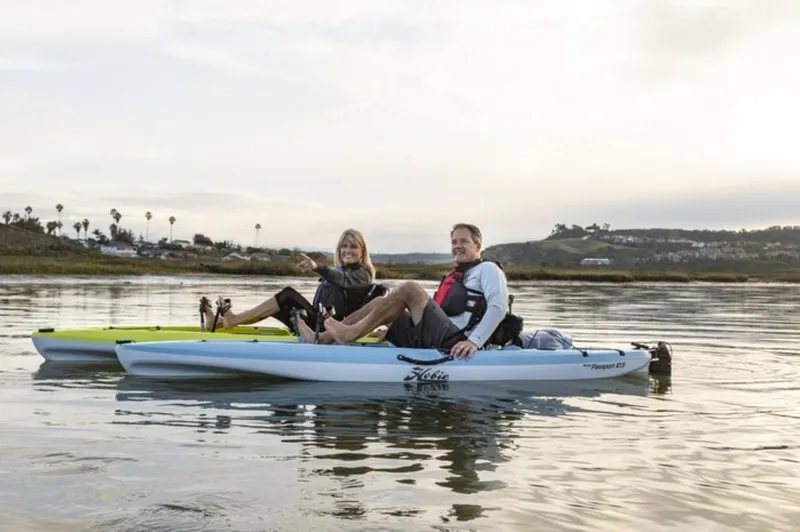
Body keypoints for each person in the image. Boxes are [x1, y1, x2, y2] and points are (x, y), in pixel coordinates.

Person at [296, 223, 514, 360]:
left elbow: (499, 306)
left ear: (478, 245)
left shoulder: (488, 269)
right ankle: (323, 338)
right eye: (454, 241)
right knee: (380, 301)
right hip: (436, 335)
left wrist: (473, 342)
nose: (457, 245)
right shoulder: (454, 274)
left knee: (410, 288)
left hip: (457, 340)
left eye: (463, 241)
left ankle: (348, 334)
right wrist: (392, 324)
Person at [201, 228, 384, 334]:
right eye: (344, 246)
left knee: (288, 294)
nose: (347, 250)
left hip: (330, 330)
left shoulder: (364, 274)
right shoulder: (340, 270)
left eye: (353, 246)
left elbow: (343, 281)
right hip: (317, 323)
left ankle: (231, 320)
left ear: (362, 251)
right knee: (279, 304)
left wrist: (317, 267)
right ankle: (217, 324)